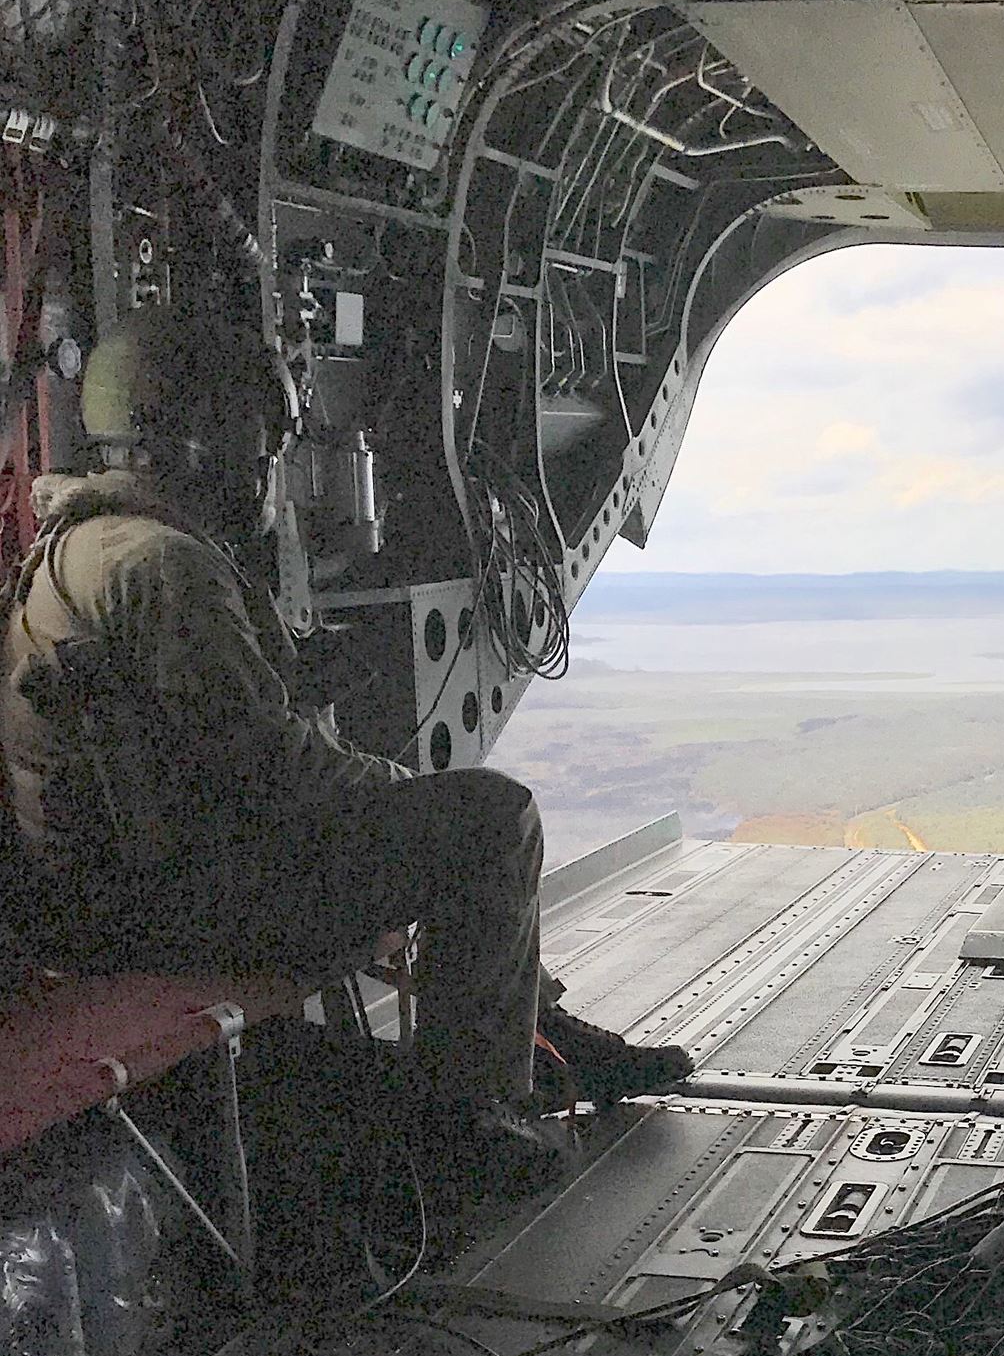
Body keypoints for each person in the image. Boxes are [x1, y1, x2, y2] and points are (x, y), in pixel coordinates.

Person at [0, 305, 689, 1171]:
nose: (264, 464)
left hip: (135, 890)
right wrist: (390, 785)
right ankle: (470, 1125)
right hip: (177, 908)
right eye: (253, 438)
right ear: (199, 438)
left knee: (436, 815)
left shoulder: (97, 547)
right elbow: (272, 775)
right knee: (493, 818)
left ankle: (536, 1038)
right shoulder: (161, 567)